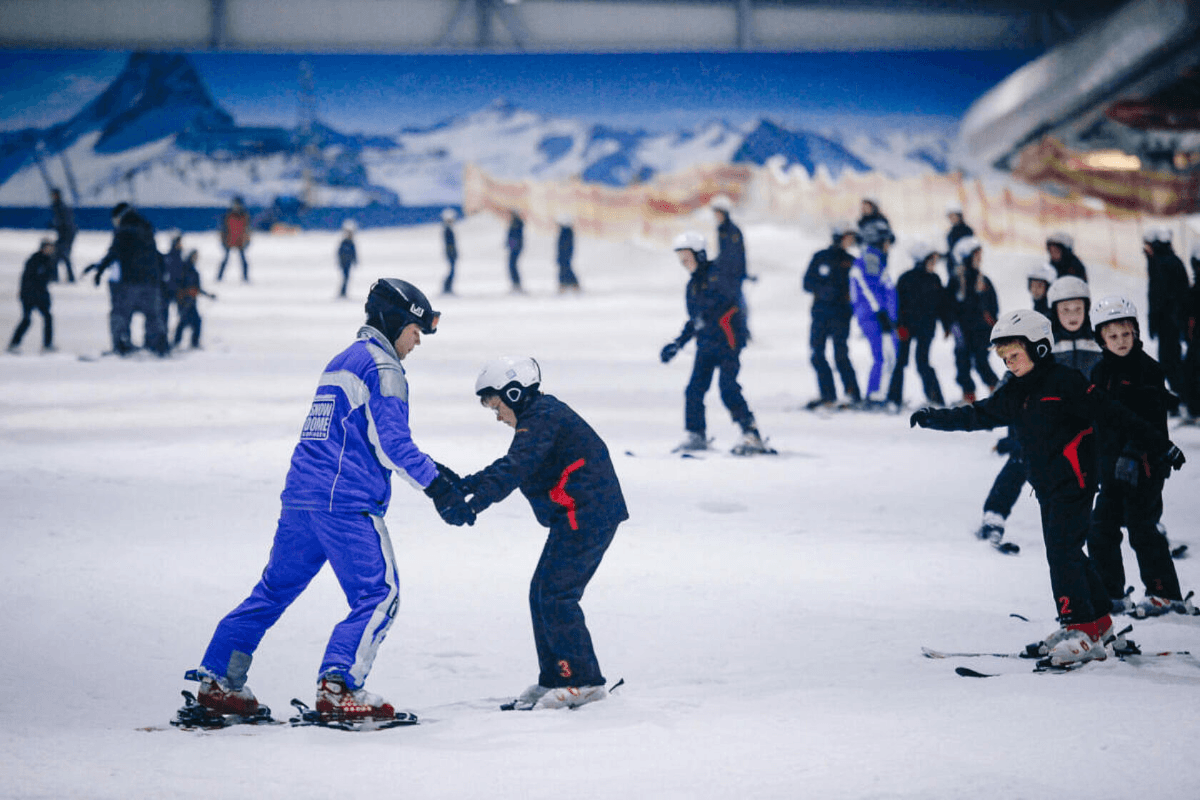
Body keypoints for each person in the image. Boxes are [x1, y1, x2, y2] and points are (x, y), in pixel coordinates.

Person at [190, 278, 476, 723]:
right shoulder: (384, 368)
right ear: (395, 321)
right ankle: (339, 686)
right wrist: (439, 488)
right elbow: (393, 444)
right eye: (415, 330)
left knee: (272, 590)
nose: (417, 341)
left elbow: (357, 433)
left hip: (302, 500)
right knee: (379, 594)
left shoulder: (343, 359)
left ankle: (218, 680)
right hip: (345, 503)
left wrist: (441, 472)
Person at [911, 310, 1186, 665]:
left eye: (1015, 356)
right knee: (1069, 551)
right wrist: (935, 418)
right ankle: (1099, 623)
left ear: (1039, 348)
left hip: (1076, 483)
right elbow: (977, 415)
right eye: (1005, 358)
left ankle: (1080, 629)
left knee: (1062, 553)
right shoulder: (1015, 391)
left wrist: (1160, 445)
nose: (1010, 364)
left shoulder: (1066, 383)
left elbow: (1116, 414)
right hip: (1047, 487)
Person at [457, 356, 627, 710]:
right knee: (542, 592)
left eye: (497, 405)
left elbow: (515, 468)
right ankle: (557, 677)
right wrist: (465, 486)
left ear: (515, 393)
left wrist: (473, 504)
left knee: (556, 594)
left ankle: (583, 680)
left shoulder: (542, 418)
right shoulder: (539, 418)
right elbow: (509, 465)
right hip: (579, 513)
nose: (498, 415)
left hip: (588, 513)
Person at [1088, 295, 1194, 618]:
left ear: (1135, 333)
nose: (1120, 341)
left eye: (1126, 334)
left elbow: (1150, 421)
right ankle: (1111, 594)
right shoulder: (1099, 372)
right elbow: (1097, 420)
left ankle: (1165, 593)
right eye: (1112, 336)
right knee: (1100, 529)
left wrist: (1135, 454)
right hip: (1110, 467)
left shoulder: (1148, 370)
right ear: (1101, 339)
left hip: (1145, 466)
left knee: (1142, 527)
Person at [661, 232, 771, 455]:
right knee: (694, 390)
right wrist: (677, 344)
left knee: (728, 388)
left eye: (687, 257)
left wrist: (711, 316)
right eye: (680, 258)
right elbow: (694, 320)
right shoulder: (692, 286)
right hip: (706, 345)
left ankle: (751, 433)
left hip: (727, 341)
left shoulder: (718, 275)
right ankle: (696, 433)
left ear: (699, 254)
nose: (683, 262)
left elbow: (728, 301)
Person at [82, 202, 168, 357]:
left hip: (130, 282)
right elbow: (156, 256)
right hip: (151, 282)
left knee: (121, 314)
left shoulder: (123, 231)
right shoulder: (147, 229)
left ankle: (122, 345)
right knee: (153, 316)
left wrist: (100, 269)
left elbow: (114, 252)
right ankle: (157, 346)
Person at [802, 223, 862, 410]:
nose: (850, 241)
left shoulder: (852, 261)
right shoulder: (820, 257)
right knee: (817, 354)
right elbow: (806, 283)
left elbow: (858, 289)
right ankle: (828, 394)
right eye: (847, 237)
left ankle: (853, 394)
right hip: (820, 313)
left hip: (841, 315)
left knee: (840, 354)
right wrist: (823, 290)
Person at [885, 241, 945, 410]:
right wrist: (899, 326)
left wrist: (947, 324)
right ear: (921, 261)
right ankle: (893, 399)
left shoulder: (935, 279)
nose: (934, 265)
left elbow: (941, 305)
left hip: (927, 329)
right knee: (900, 362)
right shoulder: (906, 279)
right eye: (931, 261)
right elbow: (897, 305)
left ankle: (936, 399)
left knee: (923, 362)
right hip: (907, 328)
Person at [945, 236, 999, 403]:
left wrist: (992, 324)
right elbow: (948, 305)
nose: (979, 259)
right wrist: (951, 325)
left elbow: (993, 305)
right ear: (966, 257)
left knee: (982, 362)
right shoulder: (956, 281)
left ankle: (998, 393)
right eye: (976, 255)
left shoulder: (983, 281)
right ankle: (969, 397)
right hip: (963, 331)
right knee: (962, 364)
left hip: (981, 331)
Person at [850, 220, 898, 406]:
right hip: (875, 317)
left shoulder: (876, 258)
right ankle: (875, 394)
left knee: (886, 355)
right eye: (886, 241)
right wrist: (881, 312)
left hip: (878, 316)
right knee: (883, 356)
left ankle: (879, 392)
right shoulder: (871, 259)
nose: (889, 246)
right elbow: (868, 287)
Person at [1143, 227, 1190, 413]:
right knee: (1170, 361)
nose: (1145, 250)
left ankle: (1185, 400)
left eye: (1147, 245)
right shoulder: (1161, 261)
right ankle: (1184, 399)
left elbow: (1160, 298)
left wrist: (1156, 321)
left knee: (1170, 362)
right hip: (1170, 323)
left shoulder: (1163, 264)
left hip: (1170, 323)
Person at [1047, 276, 1103, 378]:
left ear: (1086, 310)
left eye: (1078, 309)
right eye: (1066, 310)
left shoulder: (1099, 343)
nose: (1073, 316)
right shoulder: (1047, 347)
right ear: (1055, 312)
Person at [7, 238, 57, 354]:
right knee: (27, 319)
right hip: (29, 295)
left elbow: (46, 280)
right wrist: (27, 294)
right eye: (48, 247)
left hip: (39, 295)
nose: (51, 250)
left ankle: (47, 345)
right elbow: (27, 279)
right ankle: (14, 344)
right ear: (43, 248)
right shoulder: (34, 260)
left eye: (51, 248)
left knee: (48, 317)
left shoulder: (48, 260)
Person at [711, 194, 749, 328]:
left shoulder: (731, 231)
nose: (716, 216)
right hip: (726, 273)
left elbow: (735, 254)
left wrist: (739, 272)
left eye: (718, 213)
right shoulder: (722, 229)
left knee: (736, 301)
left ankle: (742, 328)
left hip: (733, 274)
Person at [173, 250, 215, 350]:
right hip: (184, 300)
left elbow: (197, 288)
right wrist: (184, 293)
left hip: (191, 300)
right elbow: (178, 285)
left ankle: (186, 342)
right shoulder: (184, 269)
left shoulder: (193, 271)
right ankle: (180, 342)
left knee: (192, 321)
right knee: (186, 320)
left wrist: (208, 295)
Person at [217, 197, 251, 282]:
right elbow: (223, 229)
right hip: (229, 240)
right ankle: (219, 277)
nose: (237, 206)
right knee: (225, 260)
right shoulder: (228, 215)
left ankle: (245, 278)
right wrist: (223, 240)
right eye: (236, 204)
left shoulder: (244, 215)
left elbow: (247, 230)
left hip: (240, 241)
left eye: (238, 205)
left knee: (243, 261)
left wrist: (247, 241)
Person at [161, 230, 186, 340]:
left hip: (178, 290)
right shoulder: (170, 258)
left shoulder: (179, 257)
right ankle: (163, 339)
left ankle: (176, 339)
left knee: (183, 315)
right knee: (164, 316)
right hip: (169, 290)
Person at [49, 188, 76, 283]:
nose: (52, 197)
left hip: (67, 235)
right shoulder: (57, 206)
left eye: (54, 195)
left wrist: (56, 226)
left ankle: (63, 277)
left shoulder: (61, 207)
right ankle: (65, 277)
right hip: (64, 234)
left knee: (61, 255)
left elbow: (67, 223)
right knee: (59, 256)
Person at [556, 216, 581, 292]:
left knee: (565, 266)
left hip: (565, 254)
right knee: (564, 266)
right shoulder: (566, 232)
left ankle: (571, 283)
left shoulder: (566, 233)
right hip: (563, 254)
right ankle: (567, 283)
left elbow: (565, 246)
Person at [945, 203, 973, 269]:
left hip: (966, 268)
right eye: (950, 216)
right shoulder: (950, 233)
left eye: (953, 216)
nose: (951, 219)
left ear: (959, 215)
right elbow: (951, 251)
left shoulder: (967, 231)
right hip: (953, 267)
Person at [337, 221, 358, 298]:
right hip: (344, 263)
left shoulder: (351, 243)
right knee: (345, 278)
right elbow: (340, 253)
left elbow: (354, 253)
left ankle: (343, 292)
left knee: (347, 278)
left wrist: (355, 261)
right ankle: (342, 292)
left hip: (348, 263)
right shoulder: (344, 242)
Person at [505, 210, 524, 292]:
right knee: (512, 265)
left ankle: (516, 284)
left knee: (512, 265)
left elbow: (515, 237)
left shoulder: (516, 223)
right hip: (514, 247)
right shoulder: (515, 223)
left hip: (515, 248)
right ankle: (516, 284)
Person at [441, 208, 458, 295]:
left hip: (451, 253)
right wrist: (452, 253)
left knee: (452, 271)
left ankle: (448, 288)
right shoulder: (447, 230)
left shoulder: (448, 229)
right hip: (450, 253)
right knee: (451, 271)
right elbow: (449, 244)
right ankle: (447, 288)